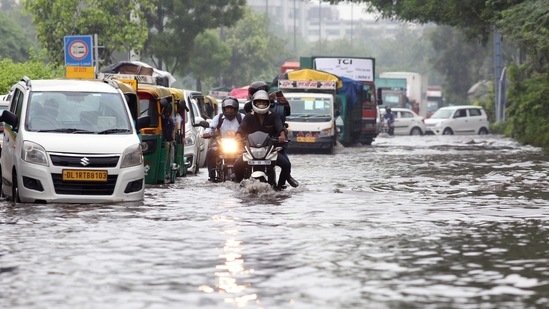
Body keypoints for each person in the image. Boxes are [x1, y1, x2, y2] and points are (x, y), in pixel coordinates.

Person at [233, 90, 294, 191]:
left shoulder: (274, 116)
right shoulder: (248, 117)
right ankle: (241, 185)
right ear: (254, 103)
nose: (261, 105)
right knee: (236, 166)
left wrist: (282, 135)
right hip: (251, 149)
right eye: (259, 102)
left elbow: (280, 127)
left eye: (264, 103)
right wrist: (238, 136)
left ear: (268, 104)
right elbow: (241, 129)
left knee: (286, 165)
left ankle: (280, 186)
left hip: (270, 149)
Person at [203, 96, 245, 182]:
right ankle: (212, 176)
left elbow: (249, 128)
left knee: (248, 155)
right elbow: (211, 128)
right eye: (227, 109)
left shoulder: (242, 117)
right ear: (223, 109)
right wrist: (207, 133)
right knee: (210, 152)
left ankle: (247, 175)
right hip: (221, 145)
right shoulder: (218, 118)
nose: (229, 111)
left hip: (239, 145)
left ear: (236, 109)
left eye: (231, 109)